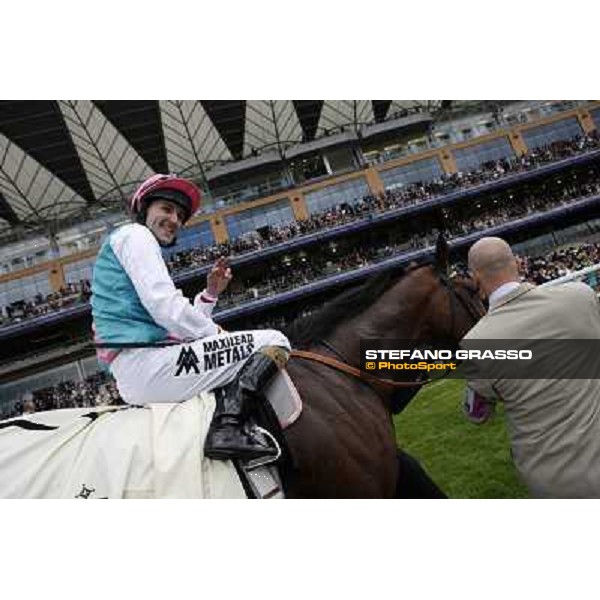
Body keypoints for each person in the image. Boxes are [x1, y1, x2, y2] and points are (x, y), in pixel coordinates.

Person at [91, 174, 291, 461]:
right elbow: (166, 307)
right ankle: (228, 428)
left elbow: (176, 324)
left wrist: (210, 295)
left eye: (180, 215)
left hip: (146, 365)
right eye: (166, 209)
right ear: (143, 210)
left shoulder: (131, 242)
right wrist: (218, 335)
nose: (175, 220)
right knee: (275, 340)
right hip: (145, 365)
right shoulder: (135, 236)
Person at [462, 236, 600, 498]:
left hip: (554, 482)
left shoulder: (475, 344)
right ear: (518, 263)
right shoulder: (580, 296)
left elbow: (477, 414)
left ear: (475, 280)